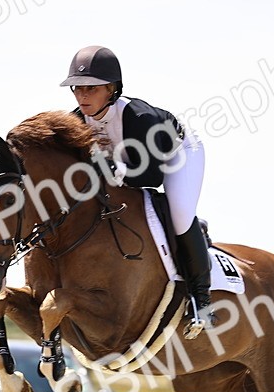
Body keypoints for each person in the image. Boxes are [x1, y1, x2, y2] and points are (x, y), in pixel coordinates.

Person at [60, 44, 217, 339]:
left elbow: (151, 176)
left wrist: (109, 170)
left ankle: (202, 300)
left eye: (91, 89)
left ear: (112, 89)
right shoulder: (76, 121)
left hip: (177, 155)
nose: (82, 95)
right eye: (77, 88)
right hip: (127, 163)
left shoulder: (138, 116)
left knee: (180, 214)